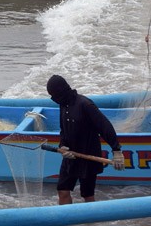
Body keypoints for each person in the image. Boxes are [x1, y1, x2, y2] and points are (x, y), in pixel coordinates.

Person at [46, 75, 124, 205]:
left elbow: (105, 126)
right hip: (70, 156)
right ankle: (66, 220)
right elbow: (63, 130)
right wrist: (63, 146)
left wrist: (116, 150)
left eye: (54, 95)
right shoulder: (63, 104)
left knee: (87, 195)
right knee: (62, 190)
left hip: (88, 157)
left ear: (61, 91)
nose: (54, 99)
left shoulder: (85, 104)